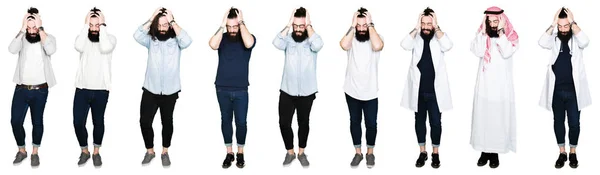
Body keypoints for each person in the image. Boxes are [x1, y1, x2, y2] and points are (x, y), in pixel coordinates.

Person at [133, 7, 192, 166]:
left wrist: (172, 21)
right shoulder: (151, 40)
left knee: (167, 122)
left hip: (170, 91)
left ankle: (165, 151)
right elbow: (136, 35)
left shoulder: (177, 40)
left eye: (165, 25)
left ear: (171, 25)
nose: (161, 29)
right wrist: (152, 17)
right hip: (150, 89)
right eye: (158, 26)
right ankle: (150, 151)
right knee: (145, 121)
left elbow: (187, 41)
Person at [400, 7, 453, 169]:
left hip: (436, 92)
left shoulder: (439, 37)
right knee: (419, 122)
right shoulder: (416, 37)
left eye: (428, 23)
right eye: (423, 23)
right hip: (418, 91)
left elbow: (448, 45)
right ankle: (423, 152)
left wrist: (436, 27)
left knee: (436, 123)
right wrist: (416, 28)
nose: (425, 26)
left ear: (434, 24)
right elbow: (404, 45)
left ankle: (435, 153)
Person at [538, 7, 590, 169]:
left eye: (565, 26)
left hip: (574, 91)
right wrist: (554, 23)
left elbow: (586, 41)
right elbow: (541, 42)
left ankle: (573, 152)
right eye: (560, 26)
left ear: (571, 25)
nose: (563, 29)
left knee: (574, 123)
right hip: (556, 91)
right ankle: (562, 152)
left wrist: (572, 22)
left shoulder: (577, 40)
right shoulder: (553, 38)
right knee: (558, 121)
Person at [272, 7, 323, 167]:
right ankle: (290, 152)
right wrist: (288, 24)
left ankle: (301, 152)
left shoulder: (312, 39)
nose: (299, 29)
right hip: (287, 90)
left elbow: (319, 45)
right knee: (284, 123)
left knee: (304, 123)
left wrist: (309, 26)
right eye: (296, 26)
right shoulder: (287, 39)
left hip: (307, 92)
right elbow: (276, 42)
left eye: (302, 26)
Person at [469, 6, 519, 169]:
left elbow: (506, 52)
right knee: (483, 119)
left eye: (495, 20)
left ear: (502, 20)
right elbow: (477, 51)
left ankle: (495, 153)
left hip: (500, 88)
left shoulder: (510, 37)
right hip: (484, 86)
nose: (492, 23)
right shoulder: (482, 36)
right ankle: (484, 151)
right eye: (489, 21)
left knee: (497, 120)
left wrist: (502, 32)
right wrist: (483, 32)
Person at [8, 7, 57, 167]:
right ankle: (22, 150)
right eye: (29, 28)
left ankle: (35, 153)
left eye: (34, 27)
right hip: (21, 89)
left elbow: (51, 49)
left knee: (37, 122)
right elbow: (11, 49)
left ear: (39, 24)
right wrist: (22, 28)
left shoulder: (48, 38)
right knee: (15, 121)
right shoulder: (22, 38)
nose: (32, 30)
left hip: (40, 90)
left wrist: (40, 28)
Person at [208, 7, 256, 169]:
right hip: (222, 88)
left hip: (241, 89)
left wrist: (241, 22)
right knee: (226, 120)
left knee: (241, 122)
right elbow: (212, 45)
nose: (232, 30)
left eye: (235, 27)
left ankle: (240, 152)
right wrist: (222, 25)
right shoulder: (222, 37)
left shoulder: (247, 37)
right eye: (230, 27)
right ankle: (229, 152)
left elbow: (249, 43)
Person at [339, 7, 383, 168]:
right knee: (355, 122)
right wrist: (352, 25)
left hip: (370, 91)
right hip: (351, 90)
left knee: (371, 124)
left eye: (365, 25)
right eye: (360, 26)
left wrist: (369, 24)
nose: (362, 28)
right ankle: (358, 153)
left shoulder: (375, 37)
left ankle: (370, 153)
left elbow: (378, 46)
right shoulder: (351, 39)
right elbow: (343, 45)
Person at [72, 7, 116, 167]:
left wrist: (102, 25)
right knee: (78, 122)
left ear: (103, 25)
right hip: (82, 89)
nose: (94, 28)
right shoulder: (82, 39)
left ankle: (96, 152)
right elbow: (78, 46)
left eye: (97, 25)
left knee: (98, 121)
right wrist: (85, 25)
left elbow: (105, 48)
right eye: (91, 25)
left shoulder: (110, 39)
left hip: (101, 90)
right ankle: (85, 151)